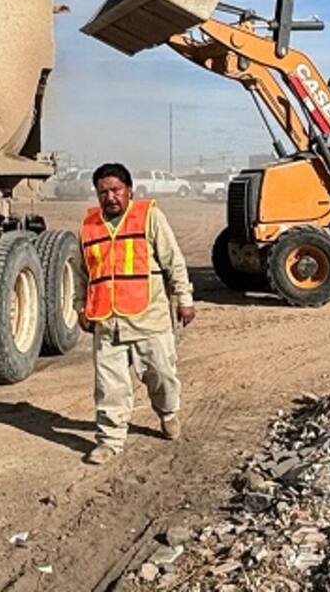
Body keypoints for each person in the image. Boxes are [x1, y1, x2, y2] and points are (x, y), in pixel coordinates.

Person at [73, 163, 196, 465]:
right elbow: (81, 273)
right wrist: (80, 306)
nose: (110, 197)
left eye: (115, 190)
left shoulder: (149, 216)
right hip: (106, 320)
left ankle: (168, 413)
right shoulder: (89, 225)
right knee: (109, 386)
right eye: (103, 192)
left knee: (161, 376)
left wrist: (184, 298)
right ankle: (109, 441)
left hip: (149, 318)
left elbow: (173, 260)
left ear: (129, 190)